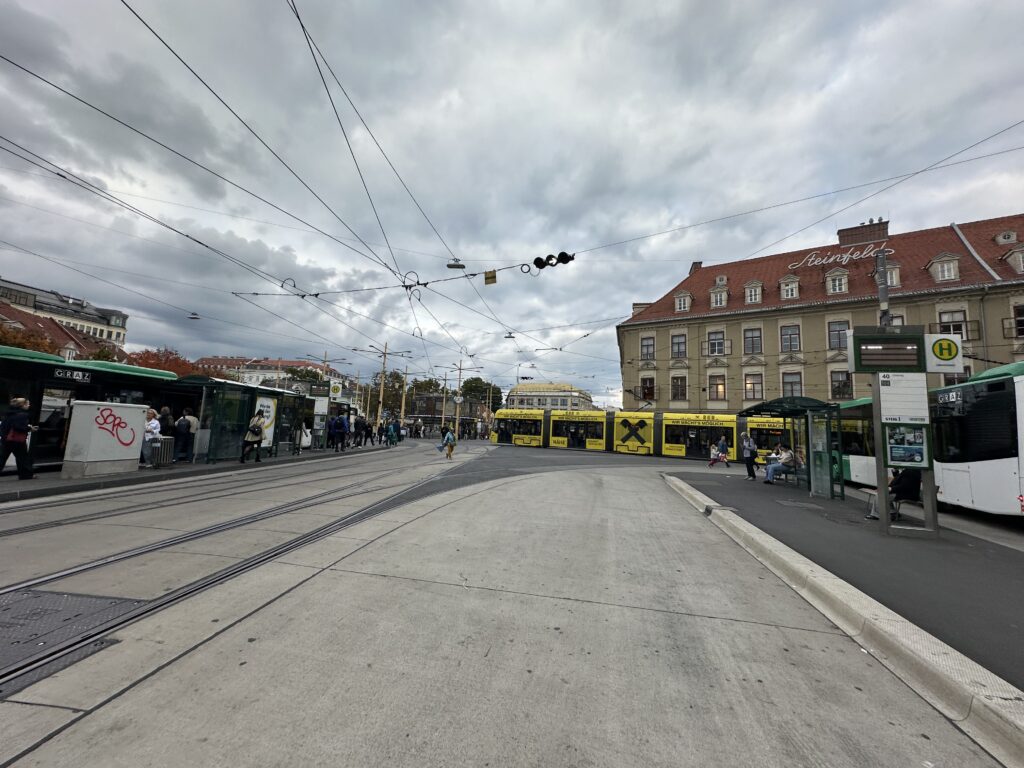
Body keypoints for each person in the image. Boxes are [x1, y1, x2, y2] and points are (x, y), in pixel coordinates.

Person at [0, 397, 38, 480]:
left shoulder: (9, 413)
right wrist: (30, 428)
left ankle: (26, 475)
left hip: (6, 439)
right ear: (22, 405)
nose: (29, 405)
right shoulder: (22, 414)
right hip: (17, 441)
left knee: (2, 457)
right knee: (23, 458)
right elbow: (19, 427)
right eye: (27, 404)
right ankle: (26, 475)